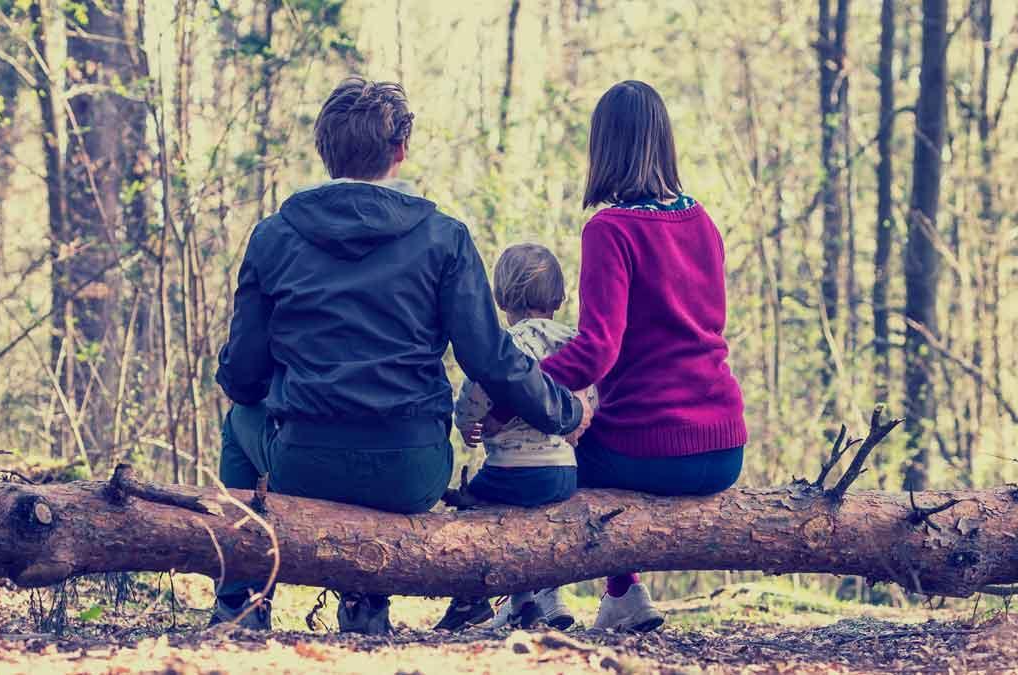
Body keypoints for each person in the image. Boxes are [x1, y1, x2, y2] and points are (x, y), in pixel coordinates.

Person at [212, 76, 590, 634]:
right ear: (401, 150)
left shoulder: (274, 237)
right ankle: (367, 600)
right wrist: (564, 411)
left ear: (325, 150)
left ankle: (242, 603)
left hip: (303, 461)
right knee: (371, 446)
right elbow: (490, 359)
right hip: (412, 469)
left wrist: (286, 388)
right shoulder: (445, 237)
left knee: (238, 424)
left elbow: (242, 378)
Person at [495, 81, 748, 632]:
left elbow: (595, 352)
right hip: (726, 446)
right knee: (592, 435)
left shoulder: (611, 230)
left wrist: (515, 387)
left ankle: (535, 598)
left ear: (603, 147)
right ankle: (624, 596)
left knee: (540, 463)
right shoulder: (703, 222)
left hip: (651, 447)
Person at [433, 244, 599, 633]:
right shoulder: (573, 342)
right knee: (538, 523)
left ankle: (471, 602)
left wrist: (467, 422)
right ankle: (534, 601)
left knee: (472, 507)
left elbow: (478, 389)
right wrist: (577, 426)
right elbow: (589, 394)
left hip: (512, 470)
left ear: (501, 296)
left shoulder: (506, 345)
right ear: (559, 297)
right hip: (562, 473)